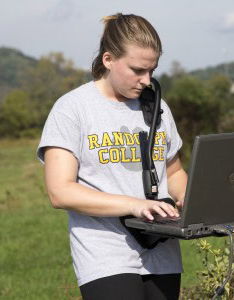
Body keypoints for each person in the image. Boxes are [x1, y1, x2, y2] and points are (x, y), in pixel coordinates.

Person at [37, 13, 188, 300]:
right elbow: (60, 192)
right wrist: (133, 205)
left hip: (162, 253)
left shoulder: (159, 108)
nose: (146, 80)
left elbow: (173, 172)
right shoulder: (72, 109)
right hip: (104, 254)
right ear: (108, 60)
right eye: (137, 70)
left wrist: (192, 201)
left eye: (152, 71)